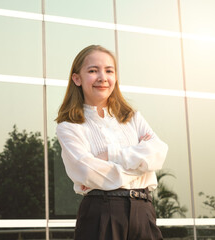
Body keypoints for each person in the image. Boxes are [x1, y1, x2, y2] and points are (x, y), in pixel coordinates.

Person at [56, 45, 168, 240]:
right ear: (77, 78)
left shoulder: (132, 117)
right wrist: (142, 167)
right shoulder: (69, 127)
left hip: (144, 212)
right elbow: (87, 172)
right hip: (101, 212)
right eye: (93, 71)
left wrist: (112, 156)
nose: (102, 77)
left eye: (109, 71)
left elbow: (159, 152)